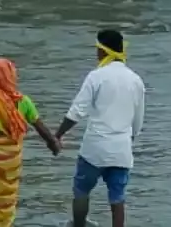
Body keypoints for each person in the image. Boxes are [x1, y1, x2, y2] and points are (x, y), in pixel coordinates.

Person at [55, 29, 145, 227]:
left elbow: (76, 111)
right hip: (121, 151)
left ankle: (79, 225)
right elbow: (137, 123)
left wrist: (58, 135)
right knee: (117, 197)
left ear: (104, 51)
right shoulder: (136, 81)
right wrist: (127, 141)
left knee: (81, 190)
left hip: (94, 149)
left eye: (97, 49)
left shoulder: (96, 77)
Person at [0, 57, 60, 226]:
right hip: (12, 161)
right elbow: (40, 127)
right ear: (12, 76)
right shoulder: (24, 101)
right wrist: (53, 144)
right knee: (7, 198)